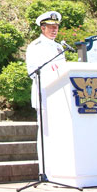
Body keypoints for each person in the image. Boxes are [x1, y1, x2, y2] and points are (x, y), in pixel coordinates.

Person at [24, 10, 65, 173]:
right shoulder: (35, 46)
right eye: (50, 27)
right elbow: (32, 72)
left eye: (56, 27)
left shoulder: (59, 47)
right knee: (45, 133)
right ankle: (44, 169)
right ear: (42, 28)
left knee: (58, 133)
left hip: (60, 95)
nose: (54, 30)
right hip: (44, 94)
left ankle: (59, 167)